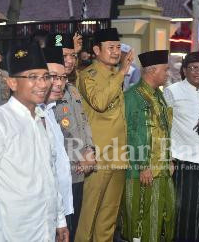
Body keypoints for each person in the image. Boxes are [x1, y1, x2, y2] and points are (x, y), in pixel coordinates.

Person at [0, 42, 69, 241]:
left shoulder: (41, 119)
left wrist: (59, 219)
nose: (43, 84)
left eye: (45, 77)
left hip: (45, 226)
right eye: (32, 77)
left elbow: (51, 173)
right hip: (13, 231)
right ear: (12, 83)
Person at [75, 28, 134, 242]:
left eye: (118, 48)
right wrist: (121, 73)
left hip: (118, 154)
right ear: (97, 50)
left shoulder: (114, 75)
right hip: (98, 156)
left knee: (109, 217)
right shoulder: (88, 75)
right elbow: (100, 103)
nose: (116, 52)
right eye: (111, 48)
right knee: (89, 215)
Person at [164, 51, 199, 242]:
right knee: (184, 207)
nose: (198, 72)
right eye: (194, 68)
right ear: (185, 70)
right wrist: (167, 155)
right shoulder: (173, 91)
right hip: (182, 157)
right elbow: (164, 124)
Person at [122, 50, 175, 242]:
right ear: (152, 71)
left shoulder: (158, 96)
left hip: (161, 169)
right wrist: (142, 165)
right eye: (165, 70)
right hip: (142, 171)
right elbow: (131, 133)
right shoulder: (132, 96)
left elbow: (163, 129)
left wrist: (169, 158)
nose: (167, 74)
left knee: (163, 215)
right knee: (141, 219)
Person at [48, 34, 97, 241]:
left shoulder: (73, 89)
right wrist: (81, 158)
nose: (69, 60)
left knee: (72, 227)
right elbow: (58, 135)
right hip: (64, 170)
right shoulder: (49, 92)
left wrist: (91, 151)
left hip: (78, 172)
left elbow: (84, 124)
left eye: (72, 56)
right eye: (65, 55)